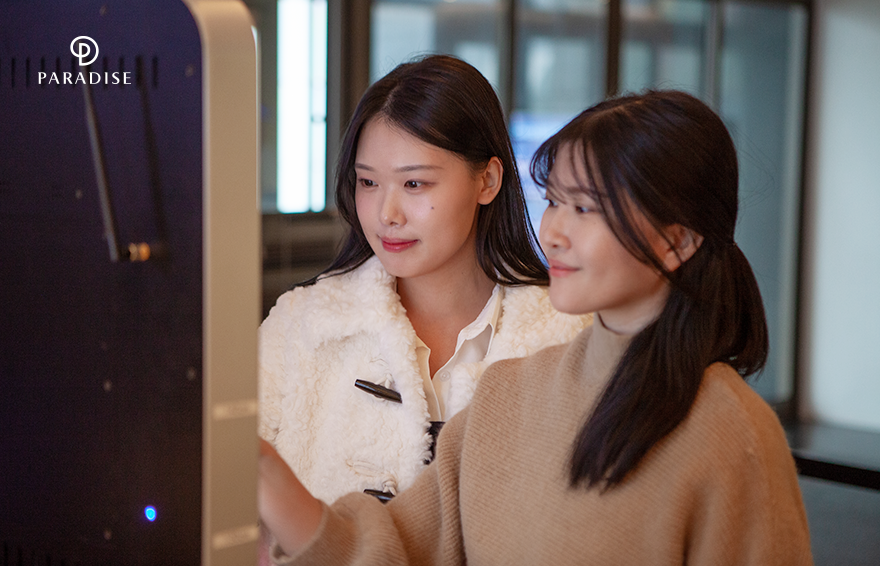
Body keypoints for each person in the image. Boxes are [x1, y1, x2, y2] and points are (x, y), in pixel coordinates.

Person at [258, 89, 814, 565]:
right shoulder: (507, 395)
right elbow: (394, 548)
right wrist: (268, 477)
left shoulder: (733, 434)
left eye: (587, 208)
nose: (554, 233)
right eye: (554, 202)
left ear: (678, 241)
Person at [258, 54, 590, 510]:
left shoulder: (572, 336)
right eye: (368, 183)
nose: (386, 214)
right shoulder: (300, 327)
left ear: (488, 180)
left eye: (414, 184)